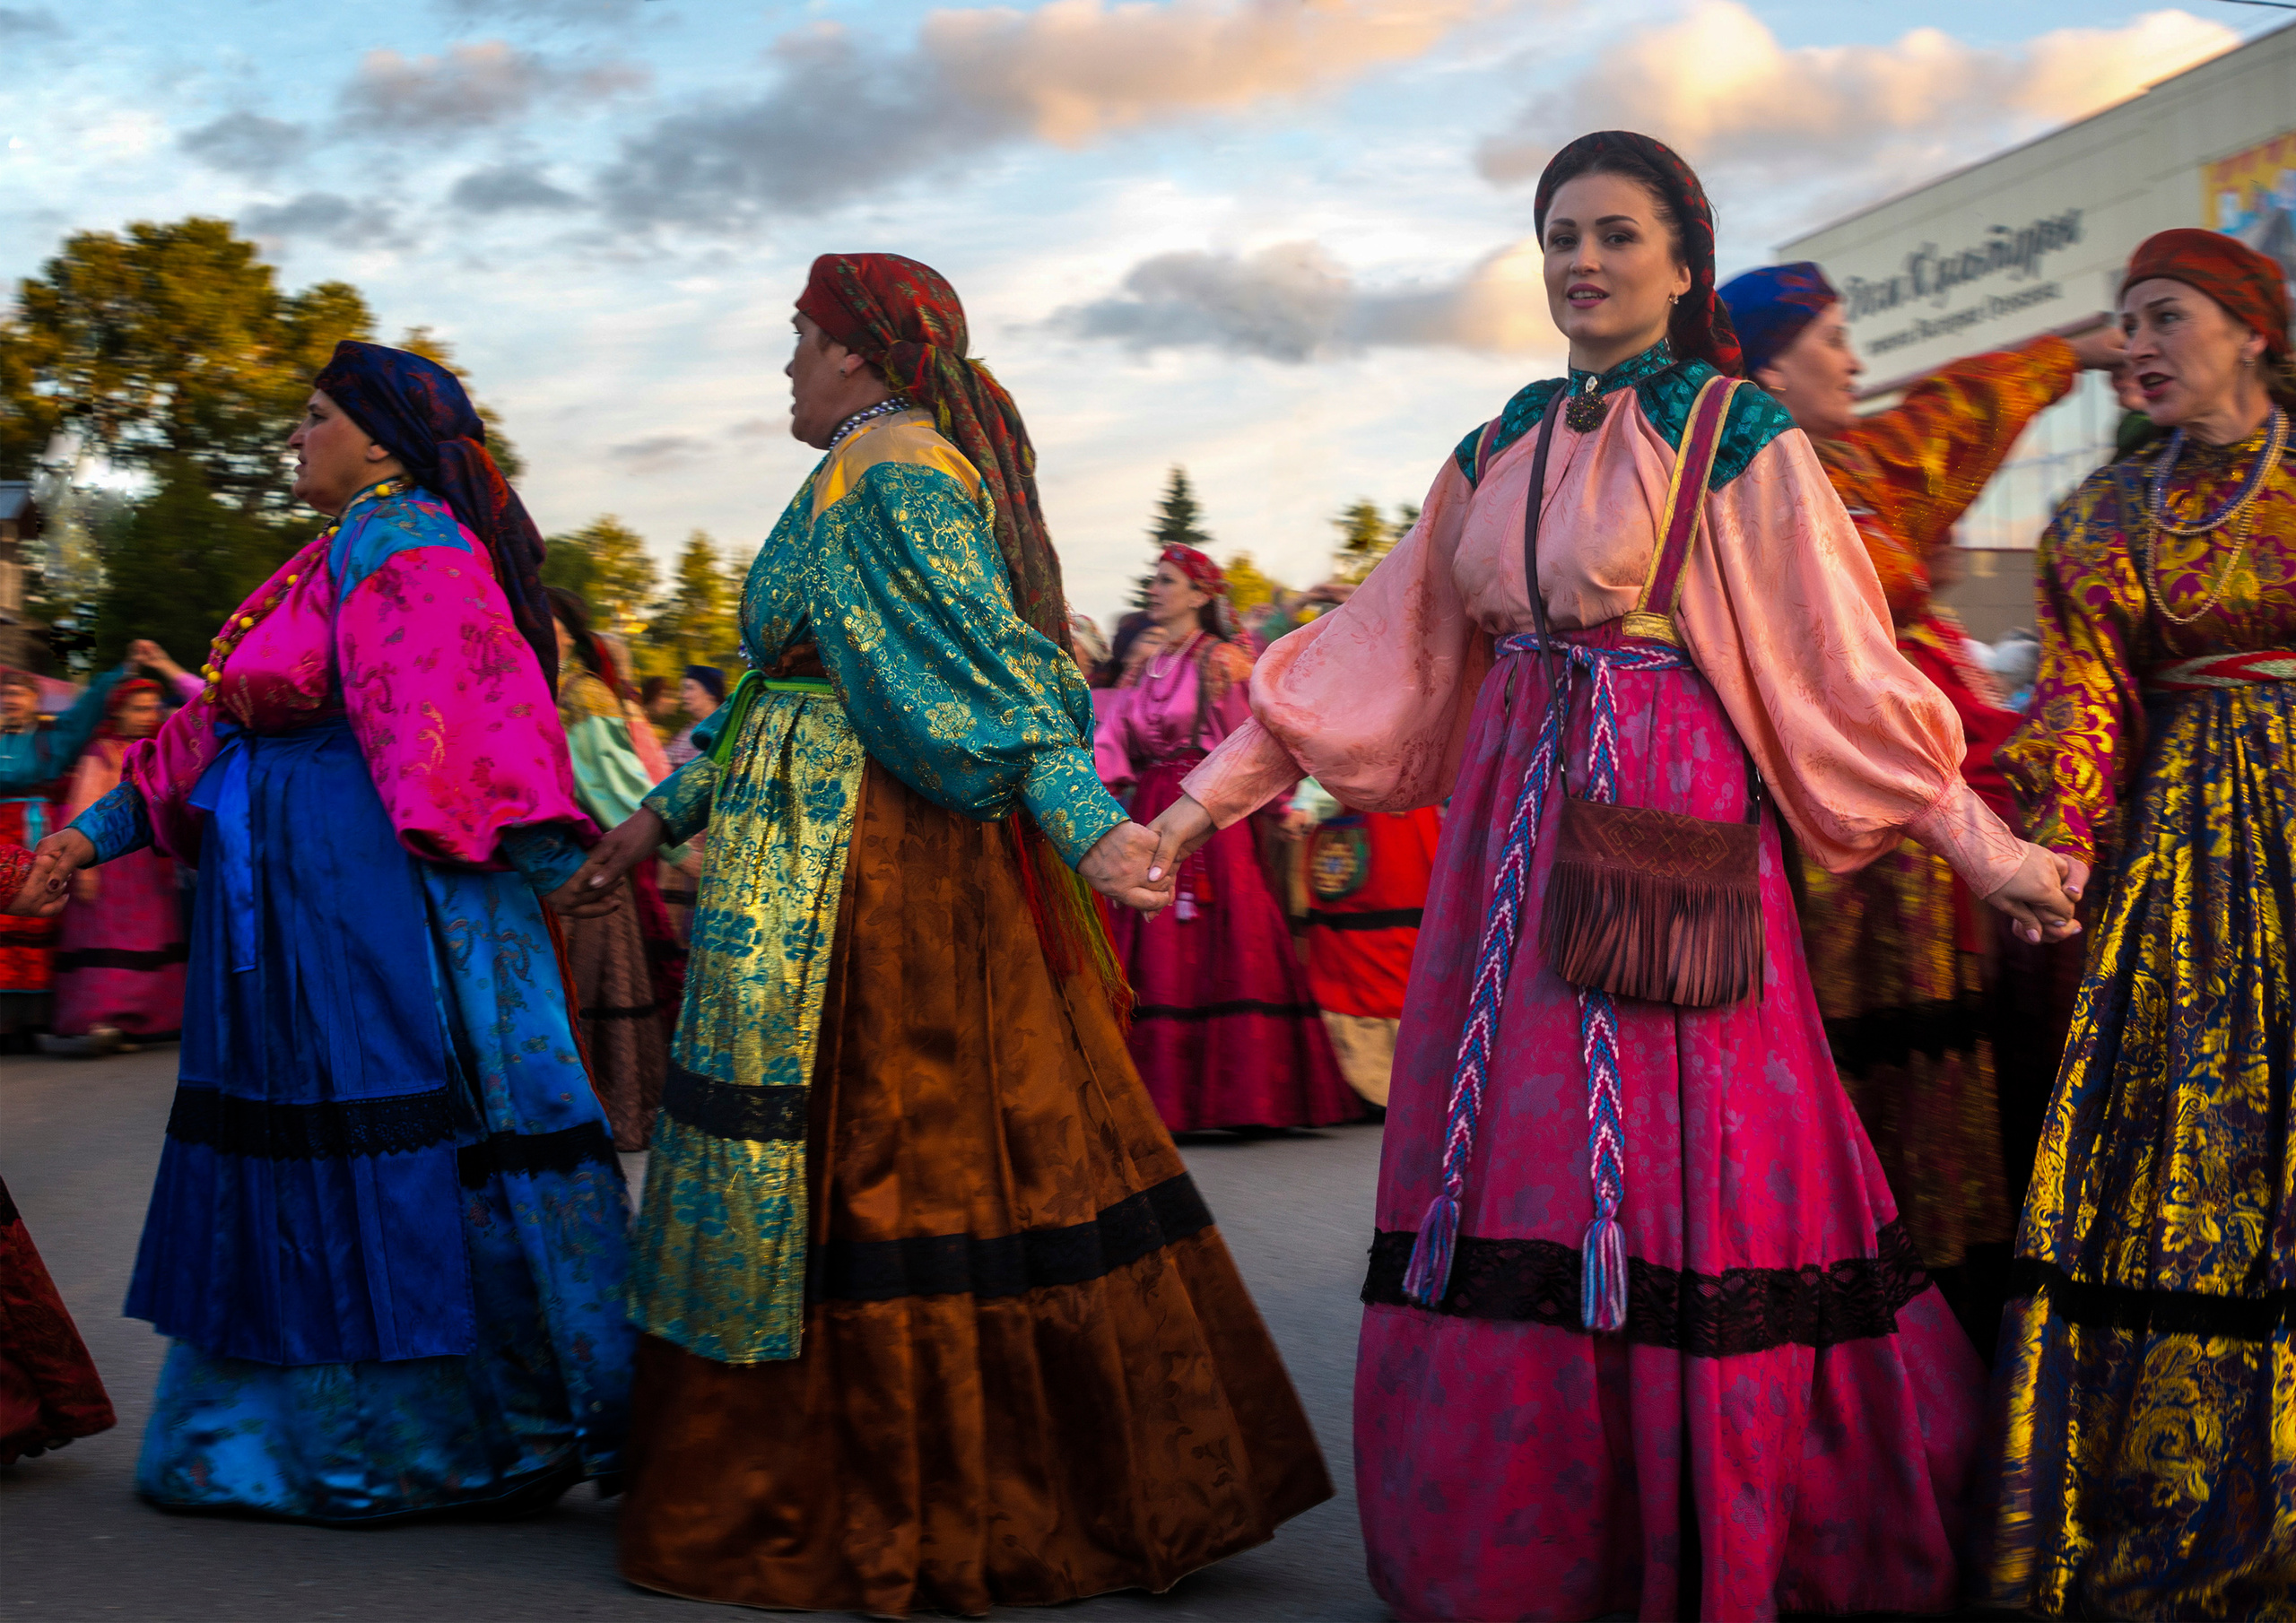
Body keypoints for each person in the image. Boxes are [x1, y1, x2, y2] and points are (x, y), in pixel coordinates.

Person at [1146, 131, 2081, 1620]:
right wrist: (1193, 813)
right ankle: (1535, 1542)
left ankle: (1719, 1526)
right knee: (1507, 1166)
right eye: (1560, 235)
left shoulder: (1736, 433)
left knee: (1680, 1172)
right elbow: (1367, 659)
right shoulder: (1495, 444)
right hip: (1504, 862)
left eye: (1616, 233)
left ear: (1684, 262)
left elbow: (1841, 673)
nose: (1582, 260)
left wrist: (1990, 850)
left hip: (1662, 831)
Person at [569, 252, 1329, 1616]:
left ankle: (907, 1479)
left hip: (868, 869)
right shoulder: (856, 469)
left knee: (892, 1145)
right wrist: (661, 814)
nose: (786, 363)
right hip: (812, 844)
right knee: (896, 1145)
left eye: (800, 337)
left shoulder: (897, 472)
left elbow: (991, 675)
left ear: (859, 353)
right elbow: (773, 686)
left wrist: (1088, 827)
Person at [13, 340, 633, 1524]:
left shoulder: (412, 547)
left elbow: (460, 731)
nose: (294, 438)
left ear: (383, 441)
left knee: (375, 1145)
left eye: (313, 417)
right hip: (298, 907)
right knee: (305, 1149)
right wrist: (91, 833)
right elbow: (211, 730)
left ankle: (422, 1449)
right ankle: (279, 1439)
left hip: (360, 905)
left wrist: (559, 861)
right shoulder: (339, 550)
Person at [1974, 230, 2296, 1619]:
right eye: (2126, 323)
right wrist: (2056, 841)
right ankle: (2183, 1485)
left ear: (2253, 330)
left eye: (2166, 316)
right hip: (2185, 870)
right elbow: (2085, 699)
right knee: (2189, 1144)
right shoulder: (2102, 514)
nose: (2138, 345)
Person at [1718, 262, 2124, 1351]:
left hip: (1926, 834)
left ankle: (1965, 1322)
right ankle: (1868, 1330)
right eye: (1832, 339)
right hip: (1821, 841)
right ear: (1768, 366)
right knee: (1850, 1068)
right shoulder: (1730, 485)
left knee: (1961, 1056)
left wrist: (2078, 351)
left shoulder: (1861, 465)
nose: (1855, 362)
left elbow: (1958, 405)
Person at [1094, 545, 1357, 1133]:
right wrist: (1093, 813)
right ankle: (1155, 1098)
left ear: (1198, 595)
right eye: (1154, 580)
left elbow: (1254, 743)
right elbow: (1111, 740)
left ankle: (1246, 1097)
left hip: (1211, 813)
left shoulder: (1224, 662)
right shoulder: (1143, 665)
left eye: (1166, 581)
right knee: (1153, 935)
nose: (1154, 590)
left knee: (1229, 933)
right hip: (1153, 805)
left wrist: (1284, 806)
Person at [549, 588, 684, 1150]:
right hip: (551, 866)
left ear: (567, 632)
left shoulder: (584, 694)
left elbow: (618, 784)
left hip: (590, 864)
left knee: (588, 990)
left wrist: (672, 842)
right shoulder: (538, 685)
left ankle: (606, 1113)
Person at [1281, 777, 1441, 1113]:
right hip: (1365, 840)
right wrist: (1308, 805)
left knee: (1410, 949)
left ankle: (1403, 1079)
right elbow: (1332, 763)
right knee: (1360, 952)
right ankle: (1367, 1078)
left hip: (1411, 841)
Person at [50, 678, 187, 1050]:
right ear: (119, 712)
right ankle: (102, 1018)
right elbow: (83, 808)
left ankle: (145, 1019)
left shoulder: (156, 751)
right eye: (137, 708)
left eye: (151, 708)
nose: (146, 715)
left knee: (151, 937)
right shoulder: (101, 753)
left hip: (147, 867)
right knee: (107, 939)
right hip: (110, 867)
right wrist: (83, 867)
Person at [1, 663, 131, 1042]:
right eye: (6, 694)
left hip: (31, 830)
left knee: (34, 912)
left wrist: (118, 672)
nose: (11, 700)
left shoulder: (51, 738)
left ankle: (31, 1018)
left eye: (19, 693)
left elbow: (86, 710)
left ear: (34, 700)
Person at [664, 664, 724, 769]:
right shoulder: (688, 731)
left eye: (690, 688)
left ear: (710, 693)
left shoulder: (720, 732)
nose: (684, 695)